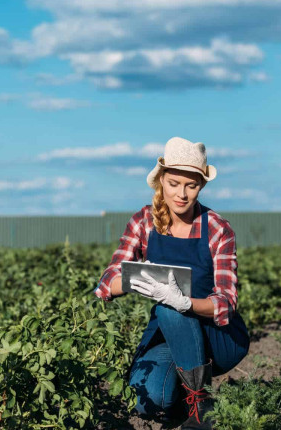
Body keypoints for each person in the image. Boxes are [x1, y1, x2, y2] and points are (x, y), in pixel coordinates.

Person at [94, 137, 250, 429]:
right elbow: (105, 284)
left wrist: (184, 302)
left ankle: (200, 401)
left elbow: (227, 302)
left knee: (169, 308)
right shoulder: (144, 222)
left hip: (219, 337)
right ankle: (181, 393)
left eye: (191, 185)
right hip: (172, 334)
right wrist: (133, 279)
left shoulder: (217, 228)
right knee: (148, 399)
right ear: (161, 182)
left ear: (200, 186)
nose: (181, 194)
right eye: (174, 183)